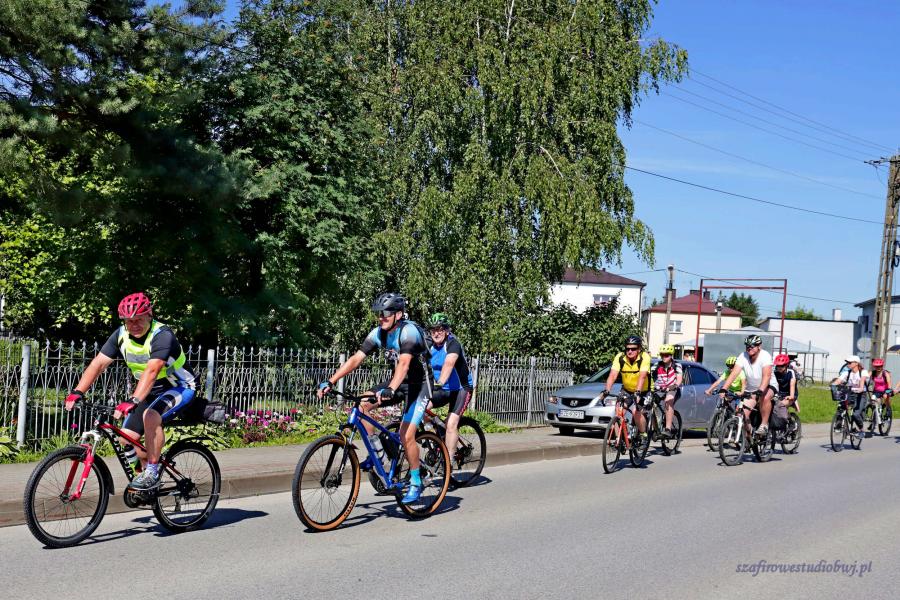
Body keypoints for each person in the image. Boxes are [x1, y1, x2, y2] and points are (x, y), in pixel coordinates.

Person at [64, 292, 197, 490]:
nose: (134, 325)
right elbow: (98, 364)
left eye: (138, 320)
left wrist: (133, 400)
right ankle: (143, 478)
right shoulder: (120, 335)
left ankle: (152, 472)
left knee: (151, 416)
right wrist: (78, 391)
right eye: (129, 321)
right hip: (149, 391)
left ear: (149, 315)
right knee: (126, 438)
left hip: (179, 386)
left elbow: (152, 370)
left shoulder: (162, 335)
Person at [317, 292, 432, 504]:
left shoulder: (408, 332)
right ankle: (378, 453)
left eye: (385, 314)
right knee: (361, 406)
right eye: (379, 314)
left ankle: (417, 481)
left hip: (420, 385)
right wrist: (331, 381)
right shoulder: (379, 333)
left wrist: (390, 389)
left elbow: (404, 364)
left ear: (398, 314)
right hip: (397, 382)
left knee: (406, 434)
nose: (381, 318)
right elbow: (356, 359)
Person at [426, 313, 474, 467]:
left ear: (446, 330)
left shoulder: (453, 344)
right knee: (420, 409)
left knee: (452, 424)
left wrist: (439, 382)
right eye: (433, 330)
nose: (436, 333)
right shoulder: (429, 345)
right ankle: (440, 431)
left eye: (440, 329)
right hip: (443, 389)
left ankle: (449, 462)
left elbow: (449, 363)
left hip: (461, 389)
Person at [718, 335, 776, 436]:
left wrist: (761, 390)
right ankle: (749, 435)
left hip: (767, 385)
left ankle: (764, 425)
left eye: (752, 346)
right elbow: (734, 373)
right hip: (751, 388)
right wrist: (724, 388)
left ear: (759, 346)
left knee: (765, 397)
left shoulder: (765, 356)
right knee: (740, 413)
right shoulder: (743, 356)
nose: (749, 348)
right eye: (747, 346)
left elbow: (767, 376)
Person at [603, 335, 652, 442]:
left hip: (643, 390)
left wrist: (638, 392)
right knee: (618, 412)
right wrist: (607, 390)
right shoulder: (620, 357)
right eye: (627, 348)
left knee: (636, 412)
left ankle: (643, 434)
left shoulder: (644, 357)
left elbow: (642, 376)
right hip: (627, 389)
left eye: (633, 349)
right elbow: (613, 375)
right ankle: (619, 440)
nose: (630, 351)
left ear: (639, 349)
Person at [831, 355, 868, 438]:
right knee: (841, 408)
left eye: (850, 362)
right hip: (850, 393)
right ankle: (838, 426)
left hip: (861, 394)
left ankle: (861, 430)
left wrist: (861, 388)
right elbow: (838, 380)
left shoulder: (863, 372)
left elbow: (862, 380)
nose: (848, 364)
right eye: (847, 362)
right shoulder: (847, 372)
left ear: (856, 363)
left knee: (856, 414)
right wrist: (833, 385)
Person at [652, 344, 682, 438]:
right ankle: (655, 429)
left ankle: (668, 429)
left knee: (668, 401)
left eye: (666, 355)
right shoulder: (657, 365)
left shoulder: (676, 365)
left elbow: (679, 378)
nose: (664, 357)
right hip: (659, 389)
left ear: (671, 355)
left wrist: (675, 385)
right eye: (662, 355)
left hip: (672, 389)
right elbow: (649, 375)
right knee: (649, 404)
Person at [869, 358, 892, 430]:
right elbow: (865, 378)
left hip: (885, 390)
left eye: (880, 366)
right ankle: (875, 418)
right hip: (876, 391)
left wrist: (887, 392)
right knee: (874, 402)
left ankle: (888, 410)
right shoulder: (872, 373)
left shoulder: (885, 373)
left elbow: (889, 384)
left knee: (886, 398)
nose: (878, 368)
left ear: (882, 366)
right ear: (874, 366)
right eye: (876, 366)